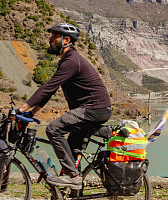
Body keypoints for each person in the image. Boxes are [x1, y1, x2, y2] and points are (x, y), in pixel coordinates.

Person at [18, 23, 112, 188]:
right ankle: (76, 199)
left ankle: (73, 177)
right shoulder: (68, 60)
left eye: (54, 36)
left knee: (53, 129)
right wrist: (32, 113)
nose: (50, 39)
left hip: (93, 108)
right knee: (72, 150)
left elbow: (48, 87)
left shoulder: (72, 61)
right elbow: (49, 93)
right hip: (93, 109)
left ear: (66, 40)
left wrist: (23, 108)